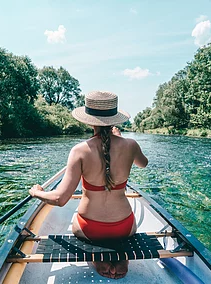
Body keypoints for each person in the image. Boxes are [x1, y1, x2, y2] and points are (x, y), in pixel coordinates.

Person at [29, 91, 148, 279]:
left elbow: (60, 199)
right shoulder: (131, 145)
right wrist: (122, 140)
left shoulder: (79, 150)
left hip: (89, 229)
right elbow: (143, 163)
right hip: (124, 228)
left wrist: (37, 193)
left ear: (90, 121)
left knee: (77, 220)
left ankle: (97, 259)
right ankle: (122, 259)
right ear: (114, 120)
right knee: (125, 228)